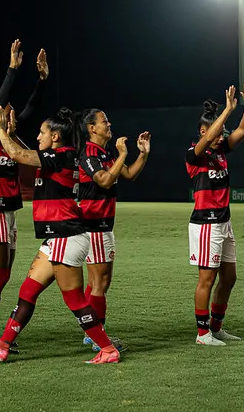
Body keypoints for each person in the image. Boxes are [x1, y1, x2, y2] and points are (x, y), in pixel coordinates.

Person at [0, 107, 121, 364]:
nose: (38, 137)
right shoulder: (60, 155)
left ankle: (107, 348)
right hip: (57, 238)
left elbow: (17, 154)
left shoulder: (61, 155)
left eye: (41, 133)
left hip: (66, 235)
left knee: (74, 299)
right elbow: (24, 151)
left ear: (54, 137)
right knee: (28, 291)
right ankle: (3, 345)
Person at [0, 40, 48, 345]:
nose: (13, 113)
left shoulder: (12, 137)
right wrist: (12, 70)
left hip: (9, 212)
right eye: (6, 110)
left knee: (3, 276)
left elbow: (32, 107)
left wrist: (42, 79)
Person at [186, 82, 244, 346]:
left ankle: (216, 327)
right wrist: (227, 110)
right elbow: (206, 141)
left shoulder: (221, 149)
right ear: (204, 131)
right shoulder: (195, 154)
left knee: (229, 277)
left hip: (224, 223)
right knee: (207, 278)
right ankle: (203, 334)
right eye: (217, 132)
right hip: (206, 224)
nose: (221, 136)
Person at [77, 108, 150, 349]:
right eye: (104, 121)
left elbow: (127, 173)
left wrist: (142, 155)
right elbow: (105, 180)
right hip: (94, 224)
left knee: (96, 281)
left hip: (103, 224)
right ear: (92, 128)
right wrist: (122, 153)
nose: (109, 124)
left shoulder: (103, 153)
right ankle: (98, 338)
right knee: (101, 282)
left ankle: (91, 330)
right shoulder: (89, 153)